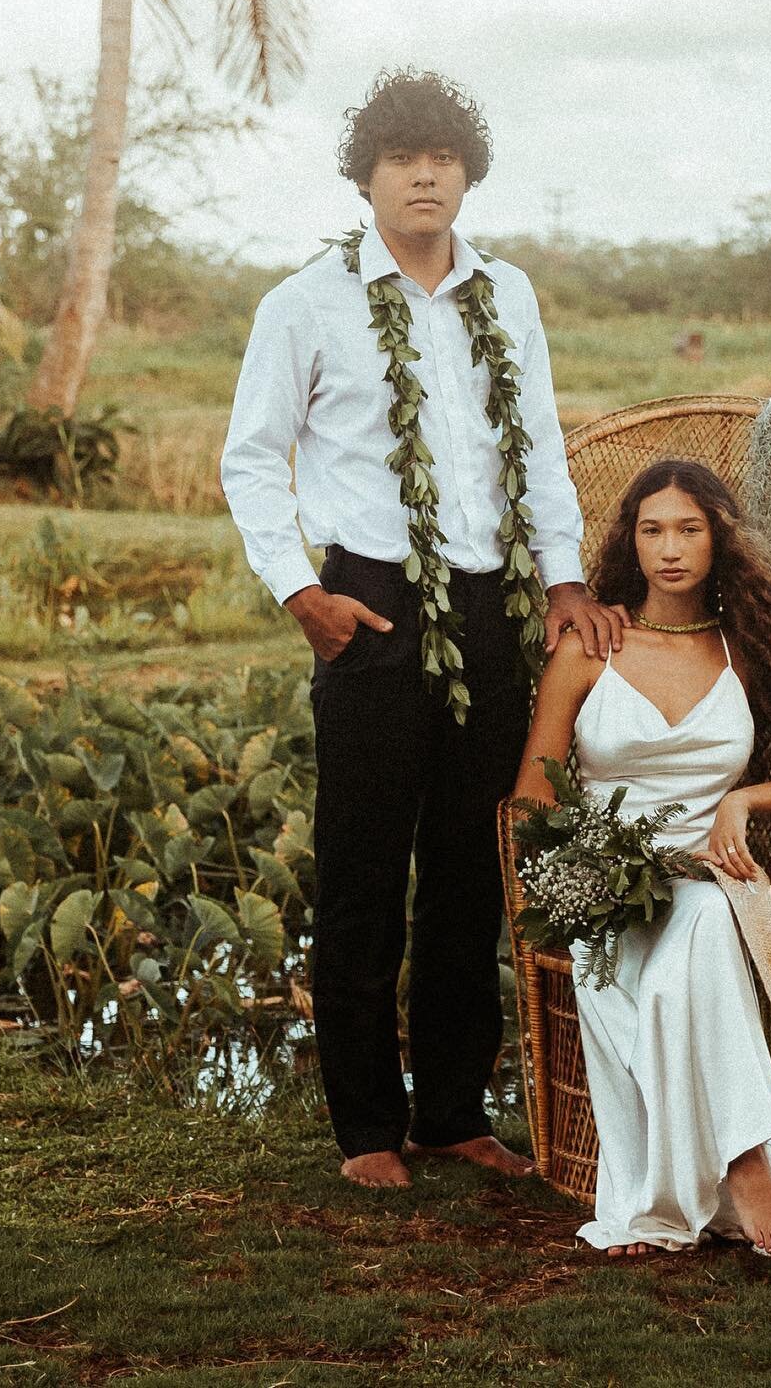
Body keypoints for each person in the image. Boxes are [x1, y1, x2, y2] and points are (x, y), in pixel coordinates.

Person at [221, 68, 625, 1192]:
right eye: (403, 159)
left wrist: (560, 583)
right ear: (367, 176)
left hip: (492, 610)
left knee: (468, 869)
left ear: (467, 175)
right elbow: (255, 456)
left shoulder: (510, 296)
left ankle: (453, 1113)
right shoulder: (306, 302)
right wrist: (301, 591)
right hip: (371, 603)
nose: (426, 176)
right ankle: (366, 1132)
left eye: (444, 159)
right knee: (361, 872)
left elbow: (537, 447)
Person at [512, 457, 771, 1258]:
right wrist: (580, 873)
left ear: (719, 542)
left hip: (715, 880)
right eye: (652, 530)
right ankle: (744, 1165)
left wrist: (741, 801)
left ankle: (696, 1188)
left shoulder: (743, 650)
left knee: (699, 921)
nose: (670, 548)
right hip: (606, 885)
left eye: (690, 530)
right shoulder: (590, 649)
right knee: (666, 955)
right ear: (630, 544)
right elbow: (533, 795)